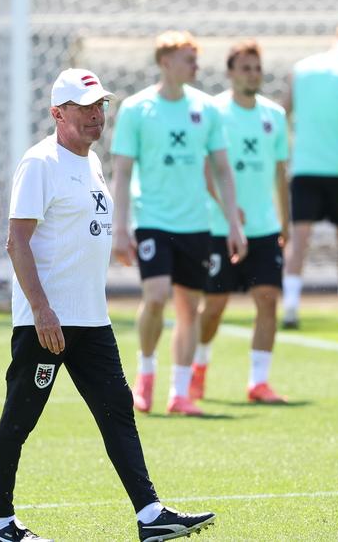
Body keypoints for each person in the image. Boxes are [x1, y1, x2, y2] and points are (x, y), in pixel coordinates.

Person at [0, 68, 216, 542]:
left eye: (101, 105)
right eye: (86, 106)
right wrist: (42, 310)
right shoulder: (40, 163)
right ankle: (0, 524)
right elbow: (16, 242)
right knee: (20, 419)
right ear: (57, 113)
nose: (97, 115)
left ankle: (150, 514)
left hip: (91, 319)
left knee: (118, 409)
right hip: (46, 324)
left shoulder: (91, 163)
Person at [111, 31, 246, 417]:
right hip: (152, 219)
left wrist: (233, 222)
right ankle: (145, 375)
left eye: (196, 58)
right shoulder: (137, 109)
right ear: (165, 62)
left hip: (197, 223)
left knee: (189, 308)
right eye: (189, 58)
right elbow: (122, 171)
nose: (196, 66)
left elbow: (222, 168)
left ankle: (180, 392)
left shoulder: (206, 109)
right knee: (154, 297)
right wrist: (120, 227)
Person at [193, 40, 290, 404]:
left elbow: (280, 171)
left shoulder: (274, 115)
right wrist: (228, 209)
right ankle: (198, 368)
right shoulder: (213, 112)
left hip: (264, 227)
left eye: (257, 67)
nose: (253, 74)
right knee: (214, 305)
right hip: (219, 227)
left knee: (267, 299)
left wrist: (286, 221)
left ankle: (258, 382)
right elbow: (206, 169)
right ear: (231, 72)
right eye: (245, 68)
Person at [282, 22, 338, 329]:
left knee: (299, 239)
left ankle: (290, 307)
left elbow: (284, 112)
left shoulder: (300, 69)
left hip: (304, 166)